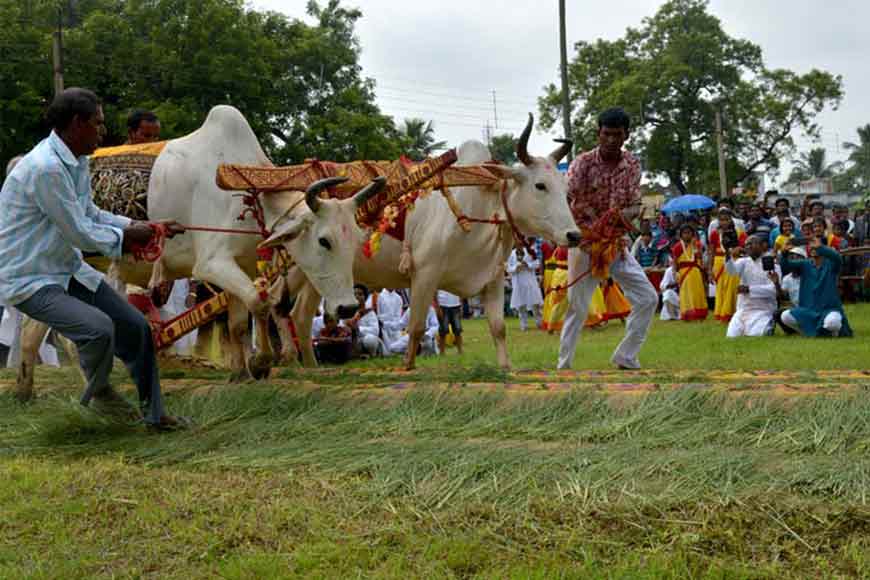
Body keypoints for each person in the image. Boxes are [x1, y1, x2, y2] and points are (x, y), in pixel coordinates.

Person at [0, 88, 185, 427]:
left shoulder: (77, 161)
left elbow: (89, 212)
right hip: (30, 278)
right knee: (98, 329)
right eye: (98, 124)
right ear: (76, 123)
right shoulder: (46, 169)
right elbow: (79, 232)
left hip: (65, 269)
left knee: (136, 328)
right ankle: (100, 396)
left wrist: (144, 225)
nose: (102, 131)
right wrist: (129, 237)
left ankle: (154, 416)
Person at [558, 108, 658, 370]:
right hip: (586, 244)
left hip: (616, 244)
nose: (612, 139)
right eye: (607, 134)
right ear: (598, 134)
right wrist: (584, 235)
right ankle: (564, 365)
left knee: (648, 297)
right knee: (578, 307)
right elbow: (565, 201)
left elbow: (636, 206)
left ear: (626, 135)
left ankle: (625, 356)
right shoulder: (582, 163)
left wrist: (620, 217)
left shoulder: (633, 164)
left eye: (617, 134)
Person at [779, 237, 853, 337]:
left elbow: (837, 258)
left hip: (829, 309)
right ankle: (807, 333)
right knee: (785, 316)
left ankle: (833, 334)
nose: (813, 246)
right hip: (808, 310)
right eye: (811, 244)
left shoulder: (831, 264)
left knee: (832, 323)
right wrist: (784, 253)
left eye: (816, 243)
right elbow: (786, 266)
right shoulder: (805, 264)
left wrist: (821, 248)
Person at [724, 235, 781, 337]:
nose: (748, 247)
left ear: (763, 245)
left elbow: (773, 291)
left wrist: (749, 289)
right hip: (744, 308)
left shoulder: (772, 264)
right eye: (746, 245)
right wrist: (728, 254)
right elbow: (731, 271)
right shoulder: (743, 262)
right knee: (731, 335)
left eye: (751, 243)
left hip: (763, 309)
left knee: (757, 334)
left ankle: (769, 325)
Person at [708, 208, 747, 322]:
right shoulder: (715, 234)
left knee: (732, 287)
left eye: (726, 219)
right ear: (718, 221)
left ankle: (731, 312)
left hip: (734, 262)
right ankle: (722, 313)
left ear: (731, 220)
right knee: (721, 288)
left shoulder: (740, 232)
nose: (724, 222)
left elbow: (744, 248)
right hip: (719, 262)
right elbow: (711, 252)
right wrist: (710, 270)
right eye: (721, 220)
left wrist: (738, 250)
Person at [671, 224, 708, 321]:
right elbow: (674, 262)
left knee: (697, 292)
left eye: (689, 233)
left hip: (695, 272)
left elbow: (700, 257)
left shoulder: (697, 244)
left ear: (692, 234)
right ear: (681, 235)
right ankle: (687, 314)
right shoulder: (677, 246)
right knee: (686, 293)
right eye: (684, 233)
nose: (687, 235)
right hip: (684, 273)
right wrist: (674, 272)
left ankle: (699, 313)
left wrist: (696, 246)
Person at [507, 241, 544, 331]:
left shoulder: (530, 251)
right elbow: (508, 268)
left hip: (530, 280)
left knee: (535, 303)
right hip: (518, 281)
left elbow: (537, 263)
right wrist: (516, 267)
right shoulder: (511, 254)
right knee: (520, 304)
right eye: (517, 243)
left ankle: (539, 322)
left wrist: (528, 265)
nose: (519, 245)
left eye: (521, 243)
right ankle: (524, 324)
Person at [345, 284, 384, 358]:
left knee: (370, 339)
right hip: (351, 341)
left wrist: (358, 329)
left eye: (360, 294)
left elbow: (375, 330)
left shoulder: (369, 312)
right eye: (354, 294)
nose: (357, 296)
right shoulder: (347, 311)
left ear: (365, 297)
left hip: (363, 340)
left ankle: (372, 354)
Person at [542, 245, 570, 334]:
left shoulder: (560, 248)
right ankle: (553, 326)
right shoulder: (563, 248)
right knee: (561, 302)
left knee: (563, 302)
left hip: (560, 274)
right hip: (563, 276)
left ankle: (558, 325)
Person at [436, 289, 463, 355]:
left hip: (456, 305)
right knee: (443, 331)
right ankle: (442, 352)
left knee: (458, 330)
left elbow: (461, 291)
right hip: (443, 305)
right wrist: (438, 307)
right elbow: (435, 293)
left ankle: (460, 351)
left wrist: (461, 305)